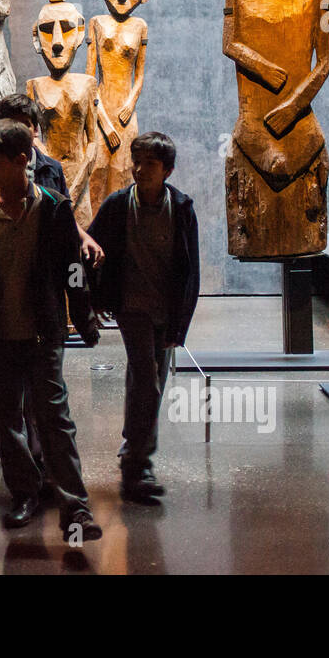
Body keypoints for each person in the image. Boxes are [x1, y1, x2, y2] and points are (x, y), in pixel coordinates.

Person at [0, 119, 102, 541]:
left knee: (55, 421)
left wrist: (83, 317)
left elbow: (73, 270)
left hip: (42, 336)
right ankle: (24, 493)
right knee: (9, 422)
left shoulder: (53, 207)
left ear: (22, 160)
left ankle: (76, 508)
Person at [86, 132, 199, 502]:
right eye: (136, 162)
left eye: (149, 164)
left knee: (151, 381)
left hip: (164, 310)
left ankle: (132, 450)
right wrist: (95, 298)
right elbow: (89, 247)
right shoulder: (119, 205)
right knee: (146, 377)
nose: (139, 170)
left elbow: (190, 271)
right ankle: (137, 465)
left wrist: (180, 325)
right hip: (131, 306)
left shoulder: (181, 209)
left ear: (167, 169)